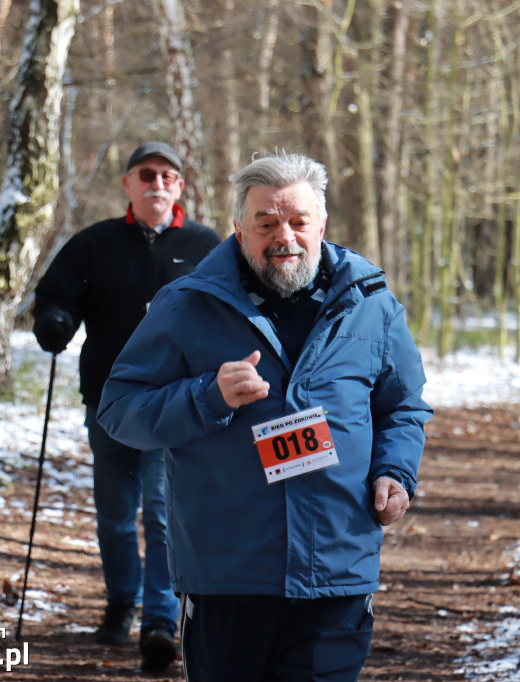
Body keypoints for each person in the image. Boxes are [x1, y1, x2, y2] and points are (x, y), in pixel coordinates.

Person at [97, 152, 431, 681]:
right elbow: (119, 410)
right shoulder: (186, 304)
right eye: (266, 223)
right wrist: (208, 396)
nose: (284, 237)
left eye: (298, 222)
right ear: (238, 228)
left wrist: (395, 470)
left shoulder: (371, 304)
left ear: (321, 224)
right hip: (227, 577)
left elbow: (402, 406)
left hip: (336, 569)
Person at [31, 141, 220, 673]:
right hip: (110, 402)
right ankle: (120, 603)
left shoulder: (208, 248)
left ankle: (160, 619)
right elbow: (54, 296)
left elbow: (233, 311)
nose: (157, 183)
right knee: (115, 513)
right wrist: (55, 323)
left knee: (162, 514)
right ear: (129, 185)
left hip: (176, 404)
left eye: (167, 176)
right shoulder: (95, 244)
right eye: (146, 174)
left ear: (180, 187)